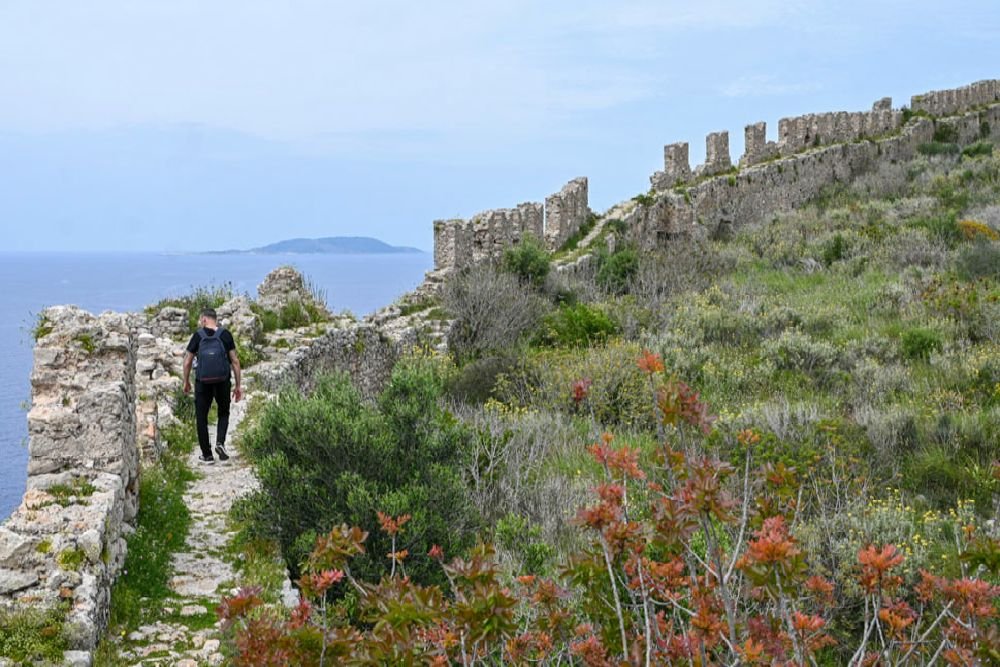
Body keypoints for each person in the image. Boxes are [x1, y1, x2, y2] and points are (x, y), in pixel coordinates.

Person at [181, 308, 243, 464]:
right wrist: (238, 385)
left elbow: (187, 361)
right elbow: (235, 361)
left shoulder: (197, 336)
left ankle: (207, 455)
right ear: (215, 319)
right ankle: (220, 443)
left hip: (203, 382)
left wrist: (186, 381)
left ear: (203, 320)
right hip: (222, 381)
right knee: (223, 412)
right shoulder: (225, 335)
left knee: (201, 417)